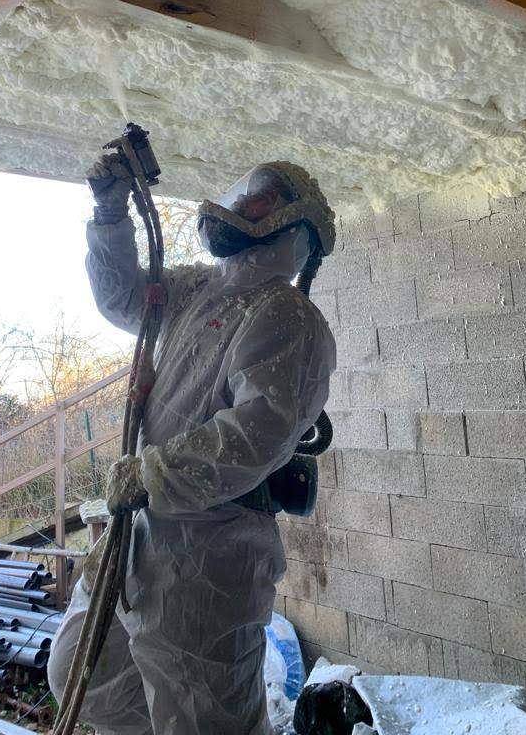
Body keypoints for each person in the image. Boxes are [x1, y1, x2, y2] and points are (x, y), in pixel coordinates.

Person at [48, 159, 337, 735]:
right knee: (87, 677)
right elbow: (123, 297)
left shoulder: (287, 315)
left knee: (204, 720)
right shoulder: (199, 290)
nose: (240, 205)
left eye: (260, 198)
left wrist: (153, 474)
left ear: (291, 223)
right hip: (141, 532)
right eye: (244, 193)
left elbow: (257, 433)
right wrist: (110, 211)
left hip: (207, 555)